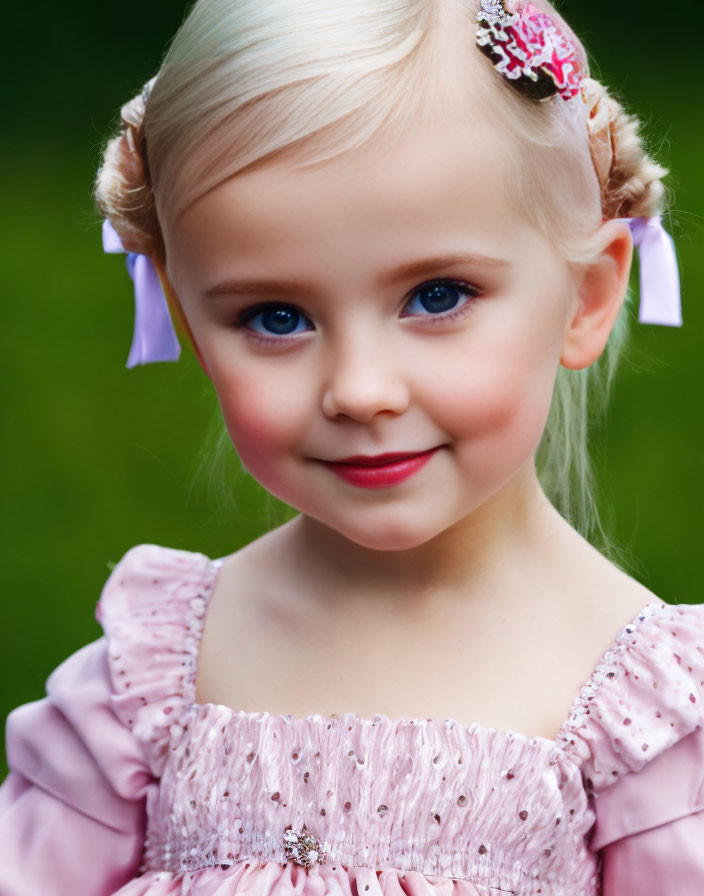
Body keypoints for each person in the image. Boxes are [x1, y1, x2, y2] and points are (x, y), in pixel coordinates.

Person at [0, 0, 696, 893]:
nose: (361, 390)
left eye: (437, 296)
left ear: (587, 296)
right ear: (187, 317)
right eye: (275, 317)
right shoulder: (151, 678)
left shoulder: (646, 724)